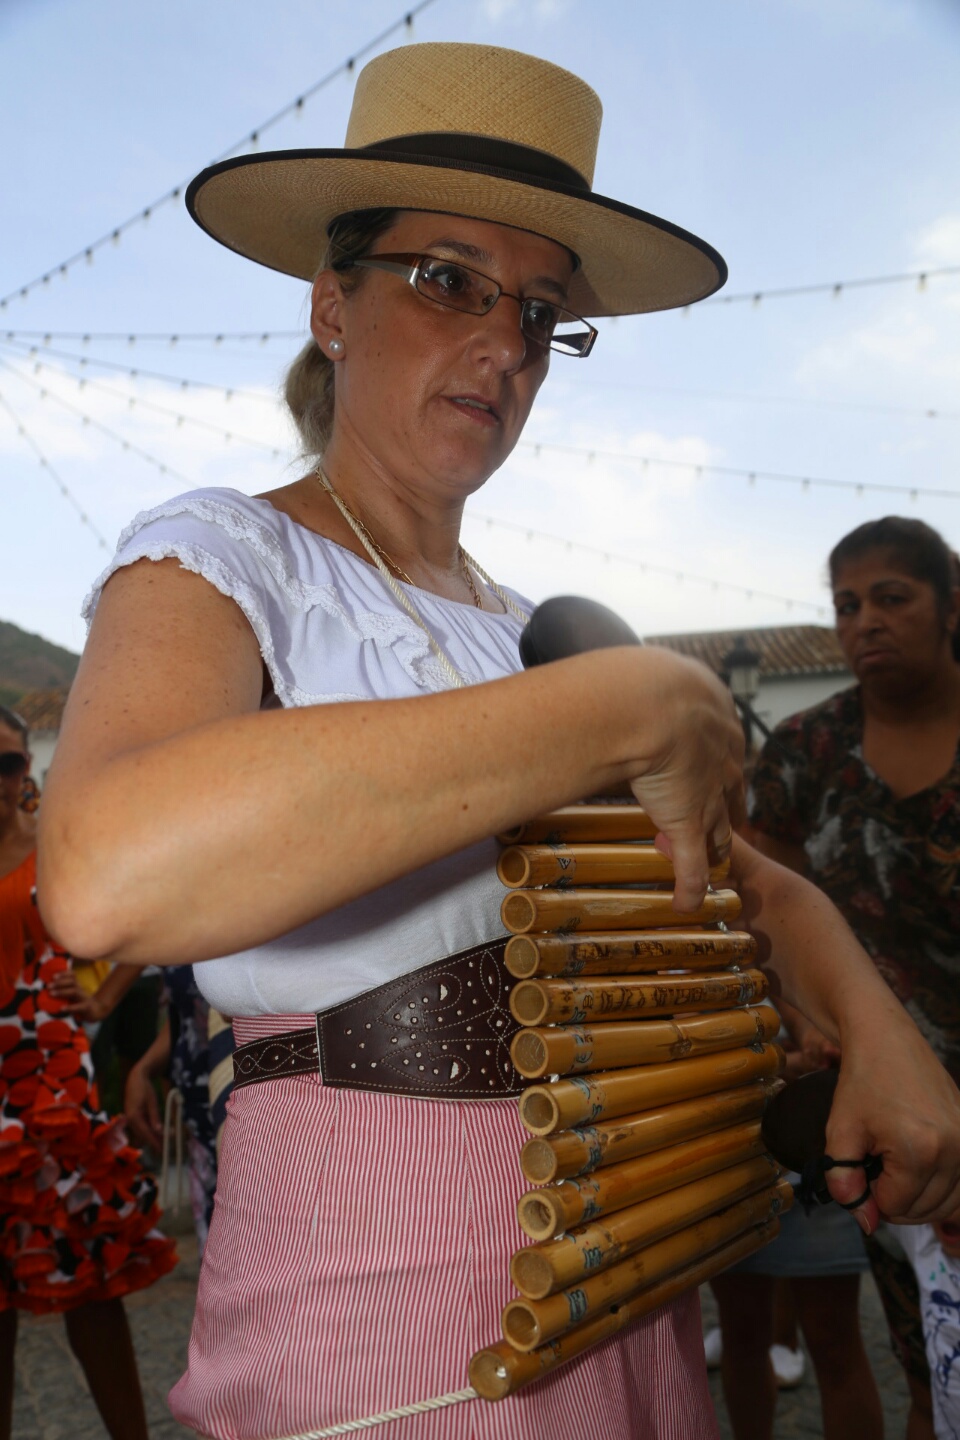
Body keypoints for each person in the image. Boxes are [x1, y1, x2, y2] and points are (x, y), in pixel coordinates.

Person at [35, 44, 960, 1440]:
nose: (507, 344)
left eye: (540, 311)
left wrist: (873, 1014)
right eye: (449, 280)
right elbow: (110, 871)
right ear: (331, 304)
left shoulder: (533, 628)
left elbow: (734, 878)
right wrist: (621, 703)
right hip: (368, 1238)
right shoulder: (226, 556)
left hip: (628, 1237)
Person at [747, 515, 960, 1440]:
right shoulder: (804, 753)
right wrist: (796, 1017)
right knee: (926, 1360)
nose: (864, 621)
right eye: (845, 605)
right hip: (875, 1118)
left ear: (950, 607)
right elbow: (760, 917)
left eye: (891, 597)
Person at [0, 705, 176, 1440]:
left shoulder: (57, 848)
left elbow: (157, 902)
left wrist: (104, 993)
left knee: (88, 1277)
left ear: (27, 772)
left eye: (6, 762)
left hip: (47, 1074)